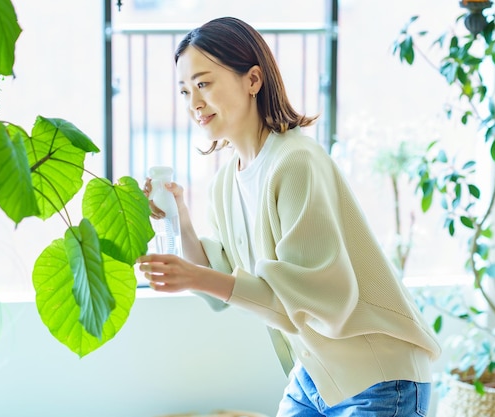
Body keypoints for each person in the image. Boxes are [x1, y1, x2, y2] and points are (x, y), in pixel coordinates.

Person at [137, 16, 441, 417]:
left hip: (377, 376)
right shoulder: (227, 182)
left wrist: (195, 276)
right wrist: (181, 220)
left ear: (253, 80)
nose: (193, 102)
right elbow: (226, 280)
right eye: (183, 90)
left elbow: (319, 298)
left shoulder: (296, 161)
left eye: (204, 83)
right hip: (314, 375)